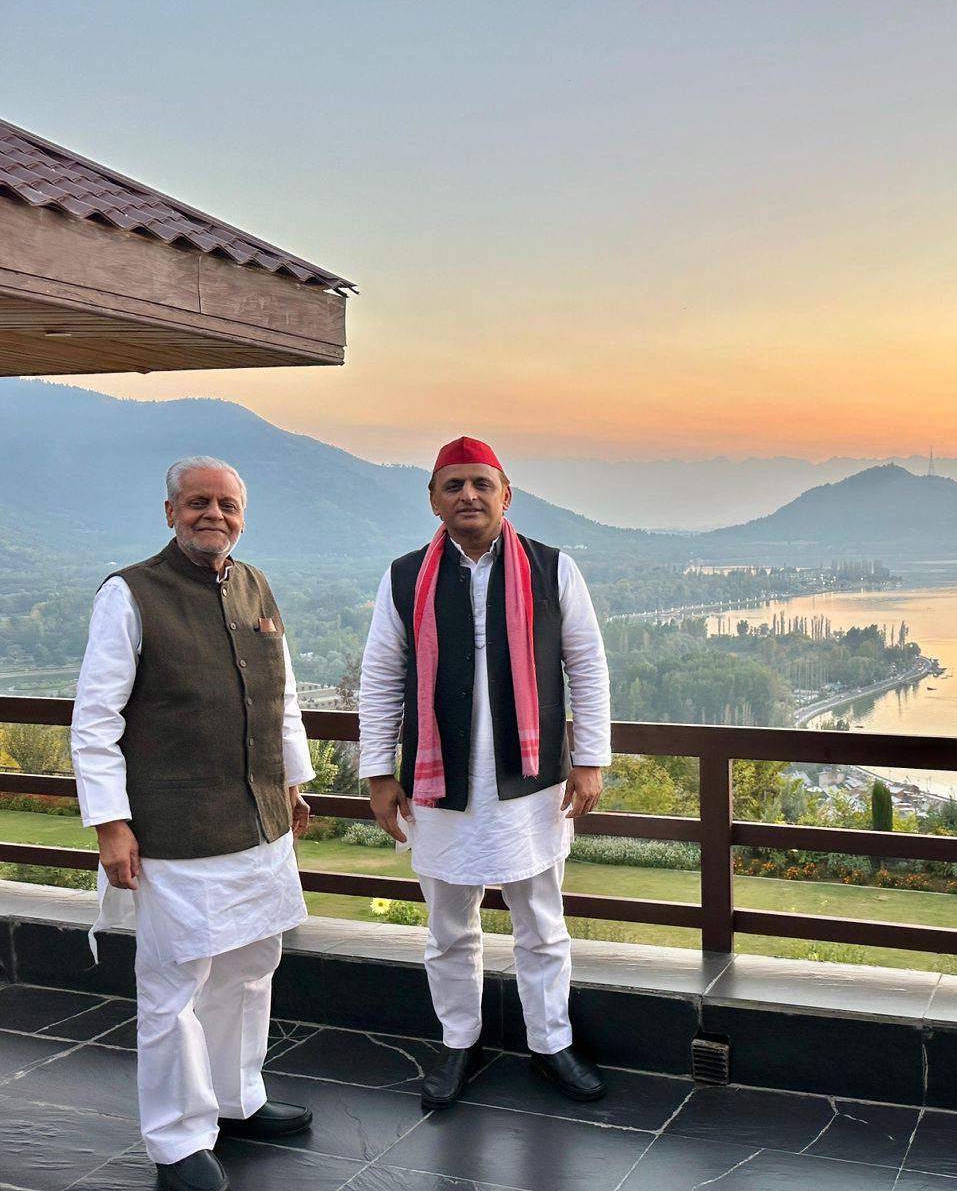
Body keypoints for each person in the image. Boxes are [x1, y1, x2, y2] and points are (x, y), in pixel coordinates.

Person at [70, 457, 315, 1191]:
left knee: (251, 966)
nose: (214, 514)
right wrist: (111, 824)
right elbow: (96, 720)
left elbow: (283, 699)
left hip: (261, 821)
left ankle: (236, 1101)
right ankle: (177, 1140)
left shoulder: (256, 585)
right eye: (198, 502)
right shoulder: (130, 593)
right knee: (174, 988)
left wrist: (294, 784)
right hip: (175, 831)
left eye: (227, 504)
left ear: (242, 515)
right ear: (170, 511)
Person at [359, 436, 611, 1108]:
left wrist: (590, 759)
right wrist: (379, 774)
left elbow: (586, 666)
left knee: (542, 921)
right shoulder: (405, 577)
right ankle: (457, 1042)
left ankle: (551, 1044)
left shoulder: (553, 569)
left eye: (480, 483)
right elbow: (381, 677)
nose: (467, 495)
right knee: (448, 926)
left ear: (506, 495)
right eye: (453, 485)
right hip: (437, 782)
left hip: (532, 782)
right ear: (433, 500)